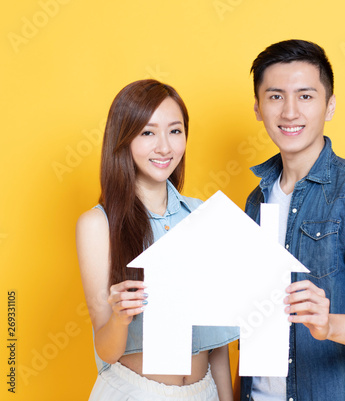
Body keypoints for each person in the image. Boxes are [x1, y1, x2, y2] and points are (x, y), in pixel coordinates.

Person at [240, 40, 345, 401]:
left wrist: (330, 324)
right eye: (275, 97)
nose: (289, 112)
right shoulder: (256, 201)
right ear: (257, 108)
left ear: (329, 106)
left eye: (305, 96)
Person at [76, 79, 238, 401]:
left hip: (203, 390)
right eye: (148, 132)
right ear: (123, 139)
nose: (164, 147)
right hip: (135, 391)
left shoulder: (202, 214)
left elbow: (217, 342)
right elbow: (106, 350)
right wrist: (121, 317)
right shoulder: (97, 224)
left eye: (175, 131)